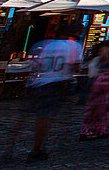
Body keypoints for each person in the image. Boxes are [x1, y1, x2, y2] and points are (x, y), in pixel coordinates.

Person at [26, 24, 84, 161]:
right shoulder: (73, 46)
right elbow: (75, 66)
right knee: (51, 117)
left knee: (40, 116)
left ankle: (37, 145)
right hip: (59, 82)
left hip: (41, 82)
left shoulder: (49, 45)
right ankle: (39, 147)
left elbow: (38, 64)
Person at [79, 38, 109, 140]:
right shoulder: (104, 49)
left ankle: (100, 129)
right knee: (95, 105)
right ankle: (87, 130)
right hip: (103, 77)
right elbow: (104, 62)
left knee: (106, 105)